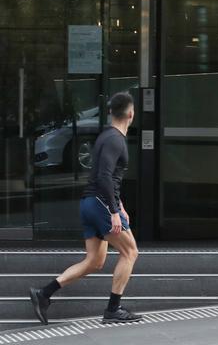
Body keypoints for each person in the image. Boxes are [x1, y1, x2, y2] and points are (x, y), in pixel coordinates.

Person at [29, 92, 141, 325]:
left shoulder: (105, 136)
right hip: (101, 205)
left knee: (94, 261)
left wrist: (119, 204)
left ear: (110, 112)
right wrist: (113, 210)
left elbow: (107, 176)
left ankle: (43, 294)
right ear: (131, 114)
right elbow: (104, 176)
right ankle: (113, 309)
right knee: (130, 252)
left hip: (90, 203)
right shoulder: (115, 140)